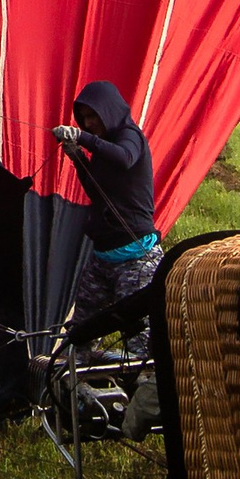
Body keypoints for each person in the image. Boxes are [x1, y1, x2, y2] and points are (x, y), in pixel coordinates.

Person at [52, 79, 161, 359]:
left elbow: (125, 158)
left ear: (109, 111)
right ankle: (74, 388)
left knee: (139, 338)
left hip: (135, 258)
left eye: (93, 116)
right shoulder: (101, 149)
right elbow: (97, 191)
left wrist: (82, 139)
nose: (88, 124)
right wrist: (78, 159)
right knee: (81, 330)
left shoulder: (129, 136)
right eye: (83, 119)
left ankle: (140, 397)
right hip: (102, 257)